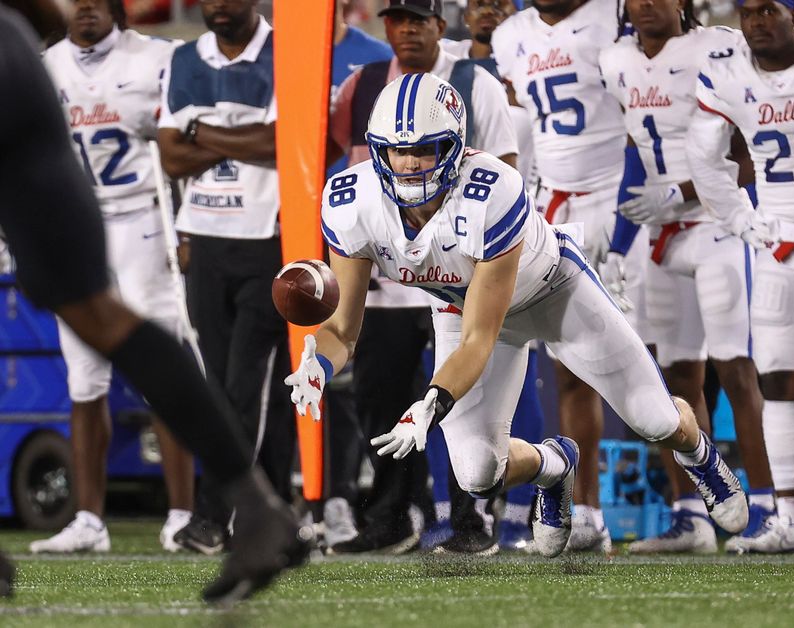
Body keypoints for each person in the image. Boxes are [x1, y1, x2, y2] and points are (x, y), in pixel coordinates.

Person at [287, 72, 749, 560]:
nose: (408, 165)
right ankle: (554, 466)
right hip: (460, 307)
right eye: (396, 152)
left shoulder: (492, 190)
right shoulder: (351, 201)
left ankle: (699, 452)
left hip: (553, 292)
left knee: (654, 420)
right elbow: (343, 329)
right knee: (476, 473)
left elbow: (478, 341)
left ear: (456, 147)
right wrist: (318, 365)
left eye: (425, 150)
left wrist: (430, 402)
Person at [0, 0, 306, 603]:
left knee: (106, 319)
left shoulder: (154, 58)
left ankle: (221, 510)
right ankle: (258, 509)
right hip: (17, 63)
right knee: (100, 320)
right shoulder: (51, 51)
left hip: (139, 215)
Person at [599, 0, 794, 554]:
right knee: (671, 377)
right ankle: (695, 514)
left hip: (718, 223)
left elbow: (746, 147)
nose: (644, 6)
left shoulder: (719, 46)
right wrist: (619, 244)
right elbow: (637, 147)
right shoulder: (614, 59)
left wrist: (681, 193)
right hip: (662, 236)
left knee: (738, 368)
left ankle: (766, 505)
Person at [327, 0, 519, 556]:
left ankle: (468, 519)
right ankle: (390, 516)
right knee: (379, 399)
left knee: (460, 394)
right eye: (396, 19)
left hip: (458, 272)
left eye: (419, 19)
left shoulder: (472, 82)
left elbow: (505, 177)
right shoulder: (361, 83)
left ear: (441, 25)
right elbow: (349, 167)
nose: (406, 29)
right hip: (389, 273)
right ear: (384, 26)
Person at [27, 0, 194, 556]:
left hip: (144, 222)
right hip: (78, 227)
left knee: (163, 368)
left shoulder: (161, 59)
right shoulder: (44, 64)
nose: (87, 9)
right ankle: (88, 520)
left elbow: (185, 145)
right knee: (83, 379)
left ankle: (181, 513)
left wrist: (188, 226)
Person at [491, 0, 656, 553]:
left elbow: (639, 121)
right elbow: (522, 131)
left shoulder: (614, 15)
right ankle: (587, 511)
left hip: (620, 201)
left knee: (662, 361)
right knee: (570, 368)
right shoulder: (512, 34)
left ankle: (694, 505)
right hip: (555, 209)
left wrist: (625, 226)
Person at [157, 0, 296, 554]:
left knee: (248, 389)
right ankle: (263, 511)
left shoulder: (284, 54)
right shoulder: (186, 57)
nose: (215, 5)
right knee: (218, 390)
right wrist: (239, 135)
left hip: (266, 240)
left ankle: (218, 515)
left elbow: (280, 144)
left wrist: (204, 132)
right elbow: (169, 155)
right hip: (205, 240)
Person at [686, 0, 794, 550]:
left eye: (768, 11)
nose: (755, 22)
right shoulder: (728, 73)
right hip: (778, 238)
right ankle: (792, 518)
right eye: (748, 12)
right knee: (778, 378)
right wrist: (738, 217)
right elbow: (702, 154)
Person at [437, 0, 545, 552]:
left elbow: (506, 172)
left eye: (502, 2)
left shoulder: (537, 59)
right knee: (447, 381)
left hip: (519, 234)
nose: (490, 11)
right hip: (447, 241)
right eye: (479, 2)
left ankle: (523, 506)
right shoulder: (452, 69)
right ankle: (458, 511)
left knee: (515, 374)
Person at [322, 0, 394, 551]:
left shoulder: (376, 62)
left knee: (373, 377)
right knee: (327, 368)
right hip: (328, 222)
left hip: (389, 231)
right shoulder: (281, 55)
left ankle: (355, 498)